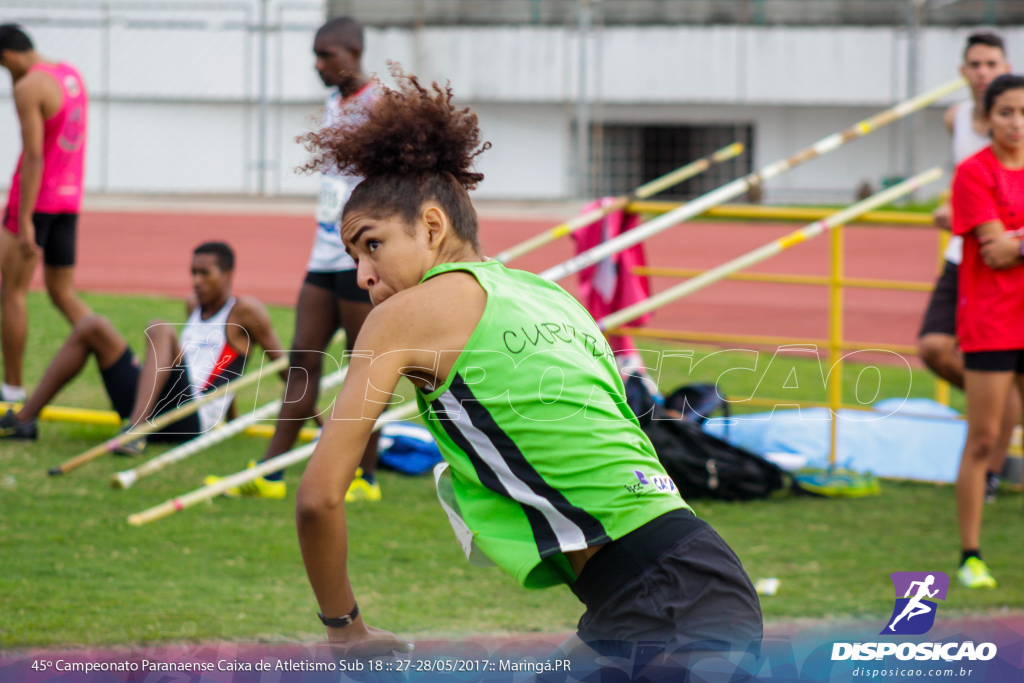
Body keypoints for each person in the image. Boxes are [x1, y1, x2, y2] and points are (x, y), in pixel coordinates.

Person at [293, 71, 763, 661]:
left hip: (663, 600)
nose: (362, 275)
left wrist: (346, 629)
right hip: (680, 576)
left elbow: (317, 498)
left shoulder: (407, 315)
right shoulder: (549, 295)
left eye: (372, 245)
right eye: (353, 256)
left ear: (432, 227)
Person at [206, 17, 382, 502]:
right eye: (316, 55)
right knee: (302, 361)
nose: (318, 65)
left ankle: (364, 478)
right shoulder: (332, 103)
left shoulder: (379, 106)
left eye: (327, 55)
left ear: (354, 52)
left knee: (361, 368)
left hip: (359, 256)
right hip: (324, 251)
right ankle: (271, 472)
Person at [0, 242, 286, 457]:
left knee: (160, 327)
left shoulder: (246, 312)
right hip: (157, 404)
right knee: (93, 326)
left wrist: (320, 425)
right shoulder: (194, 306)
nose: (196, 281)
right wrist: (232, 415)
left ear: (228, 275)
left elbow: (285, 368)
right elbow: (210, 364)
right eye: (193, 273)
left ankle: (136, 431)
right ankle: (24, 421)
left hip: (190, 420)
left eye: (204, 274)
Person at [919, 32, 1015, 503]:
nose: (983, 71)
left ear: (1005, 66)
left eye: (991, 63)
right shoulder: (956, 118)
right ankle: (999, 414)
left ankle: (994, 465)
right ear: (963, 71)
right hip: (966, 260)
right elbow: (967, 184)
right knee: (935, 347)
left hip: (1007, 262)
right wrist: (960, 214)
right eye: (974, 64)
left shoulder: (1019, 121)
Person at [949, 74, 1024, 589]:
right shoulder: (974, 173)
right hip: (993, 321)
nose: (1017, 123)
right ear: (986, 118)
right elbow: (995, 252)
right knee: (984, 439)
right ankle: (971, 553)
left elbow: (1010, 243)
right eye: (1006, 113)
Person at [0, 24, 92, 404]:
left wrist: (22, 222)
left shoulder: (28, 87)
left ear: (8, 57)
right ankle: (121, 362)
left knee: (12, 294)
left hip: (35, 204)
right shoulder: (71, 75)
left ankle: (11, 392)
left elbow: (34, 155)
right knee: (62, 292)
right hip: (68, 202)